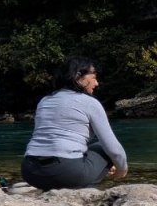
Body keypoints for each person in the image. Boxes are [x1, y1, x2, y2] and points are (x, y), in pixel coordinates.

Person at [21, 56, 128, 191]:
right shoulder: (89, 102)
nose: (97, 83)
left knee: (83, 151)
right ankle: (82, 189)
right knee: (101, 147)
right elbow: (114, 149)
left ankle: (53, 187)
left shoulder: (45, 100)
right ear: (78, 76)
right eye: (94, 77)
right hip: (65, 172)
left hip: (30, 171)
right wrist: (121, 170)